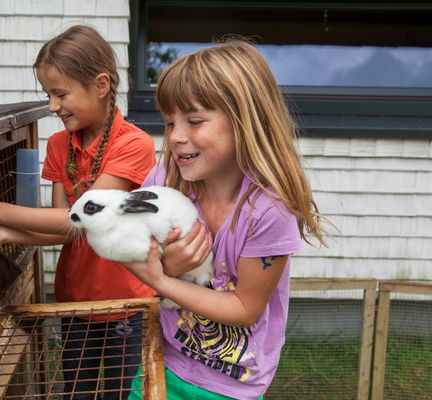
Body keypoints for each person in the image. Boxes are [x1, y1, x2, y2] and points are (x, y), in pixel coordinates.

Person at [0, 25, 156, 399]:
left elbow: (84, 218)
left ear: (101, 85)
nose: (52, 106)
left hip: (126, 304)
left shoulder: (134, 144)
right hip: (73, 300)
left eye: (60, 93)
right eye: (48, 94)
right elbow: (65, 229)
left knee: (119, 393)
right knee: (76, 392)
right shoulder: (58, 144)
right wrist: (4, 233)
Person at [122, 39, 328, 400]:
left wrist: (161, 279)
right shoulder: (164, 178)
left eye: (194, 121)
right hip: (162, 355)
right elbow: (126, 239)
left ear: (245, 121)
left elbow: (245, 308)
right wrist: (164, 265)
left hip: (230, 384)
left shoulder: (270, 209)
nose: (175, 137)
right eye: (169, 122)